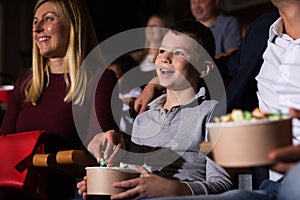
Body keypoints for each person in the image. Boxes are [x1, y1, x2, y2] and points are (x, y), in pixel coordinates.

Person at [77, 19, 233, 199]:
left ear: (203, 69)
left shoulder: (213, 113)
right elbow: (134, 173)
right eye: (162, 51)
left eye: (179, 53)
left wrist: (171, 189)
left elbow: (222, 184)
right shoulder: (144, 118)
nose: (165, 58)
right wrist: (106, 182)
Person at [0, 0, 120, 199]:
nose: (37, 29)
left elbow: (97, 141)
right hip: (12, 190)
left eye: (48, 19)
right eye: (35, 22)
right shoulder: (25, 82)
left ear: (73, 25)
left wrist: (102, 141)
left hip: (61, 191)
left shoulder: (99, 79)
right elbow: (4, 141)